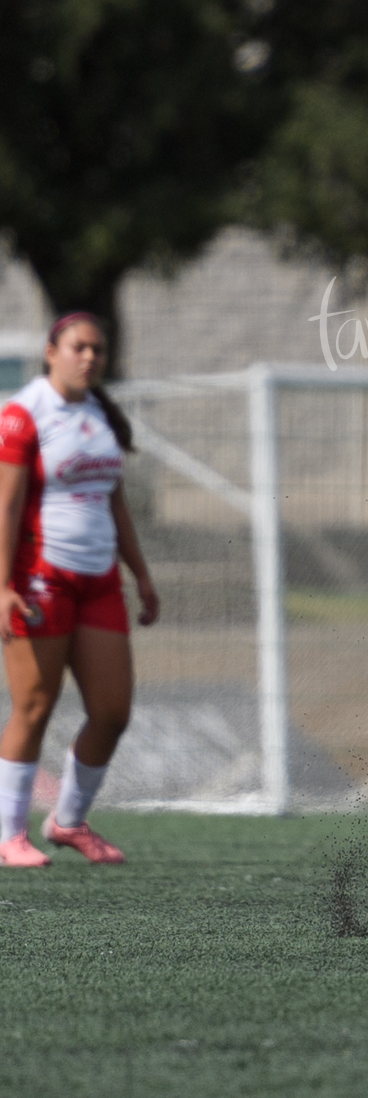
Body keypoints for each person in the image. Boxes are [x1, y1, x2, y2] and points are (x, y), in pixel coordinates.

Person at [0, 314, 160, 868]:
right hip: (41, 578)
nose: (89, 357)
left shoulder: (99, 414)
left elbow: (114, 502)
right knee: (35, 706)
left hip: (99, 583)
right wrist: (1, 587)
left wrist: (139, 574)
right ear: (51, 352)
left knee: (113, 711)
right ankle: (9, 836)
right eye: (78, 347)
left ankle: (67, 821)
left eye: (98, 349)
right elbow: (7, 506)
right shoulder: (24, 414)